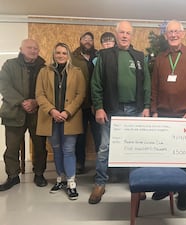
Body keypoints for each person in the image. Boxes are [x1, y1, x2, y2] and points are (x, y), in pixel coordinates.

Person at [89, 20, 151, 204]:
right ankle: (100, 183)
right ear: (116, 35)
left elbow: (146, 83)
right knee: (104, 148)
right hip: (111, 109)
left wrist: (146, 106)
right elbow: (96, 83)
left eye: (128, 33)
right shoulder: (105, 55)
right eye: (121, 32)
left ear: (132, 36)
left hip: (135, 110)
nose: (124, 36)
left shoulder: (139, 57)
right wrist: (99, 107)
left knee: (134, 148)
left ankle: (137, 184)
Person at [150, 20, 186, 210]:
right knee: (165, 155)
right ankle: (166, 187)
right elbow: (154, 87)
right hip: (164, 115)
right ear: (165, 36)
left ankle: (183, 191)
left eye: (176, 32)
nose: (173, 35)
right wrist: (155, 111)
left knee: (185, 156)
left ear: (183, 34)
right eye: (170, 32)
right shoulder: (160, 58)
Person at [35, 43, 86, 200]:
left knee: (68, 150)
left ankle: (71, 183)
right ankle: (60, 179)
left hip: (70, 118)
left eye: (64, 53)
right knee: (56, 150)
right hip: (50, 118)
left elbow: (80, 94)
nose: (61, 55)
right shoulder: (44, 71)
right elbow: (39, 94)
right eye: (58, 52)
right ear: (53, 54)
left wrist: (66, 112)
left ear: (68, 55)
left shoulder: (76, 72)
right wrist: (52, 110)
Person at [0, 39, 48, 191]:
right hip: (14, 112)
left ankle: (39, 173)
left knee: (40, 146)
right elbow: (4, 86)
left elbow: (48, 90)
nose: (33, 50)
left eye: (35, 48)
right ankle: (13, 176)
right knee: (12, 147)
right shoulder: (9, 65)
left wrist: (36, 102)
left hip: (37, 113)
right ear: (21, 49)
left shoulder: (44, 68)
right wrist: (22, 102)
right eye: (29, 47)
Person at [72, 32, 100, 174]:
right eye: (85, 39)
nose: (88, 41)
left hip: (97, 104)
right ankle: (79, 163)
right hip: (80, 105)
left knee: (99, 136)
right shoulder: (72, 58)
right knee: (80, 136)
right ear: (80, 41)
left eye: (90, 39)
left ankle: (101, 165)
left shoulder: (99, 56)